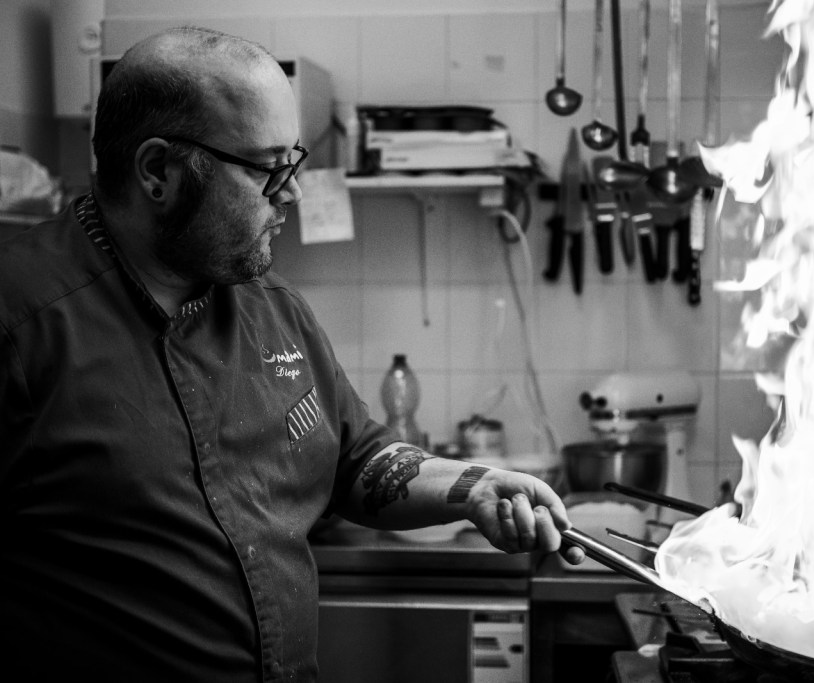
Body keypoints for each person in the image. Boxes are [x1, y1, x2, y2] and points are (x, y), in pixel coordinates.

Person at [0, 26, 583, 682]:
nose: (293, 193)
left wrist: (472, 485)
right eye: (266, 168)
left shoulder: (272, 306)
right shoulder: (21, 322)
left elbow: (357, 459)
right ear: (158, 170)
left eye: (294, 162)